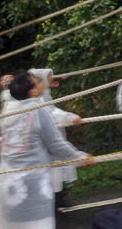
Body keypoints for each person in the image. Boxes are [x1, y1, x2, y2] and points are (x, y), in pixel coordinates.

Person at [0, 72, 93, 229]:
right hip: (33, 181)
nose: (42, 83)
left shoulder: (8, 110)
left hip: (8, 181)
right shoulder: (38, 110)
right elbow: (56, 145)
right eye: (38, 82)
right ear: (33, 92)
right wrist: (80, 158)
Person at [28, 68, 83, 202]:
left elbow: (52, 111)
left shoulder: (45, 95)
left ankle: (59, 198)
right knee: (52, 172)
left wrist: (68, 116)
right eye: (48, 76)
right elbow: (50, 113)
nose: (52, 78)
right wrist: (69, 117)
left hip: (53, 137)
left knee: (57, 171)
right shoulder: (36, 100)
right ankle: (55, 202)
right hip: (46, 142)